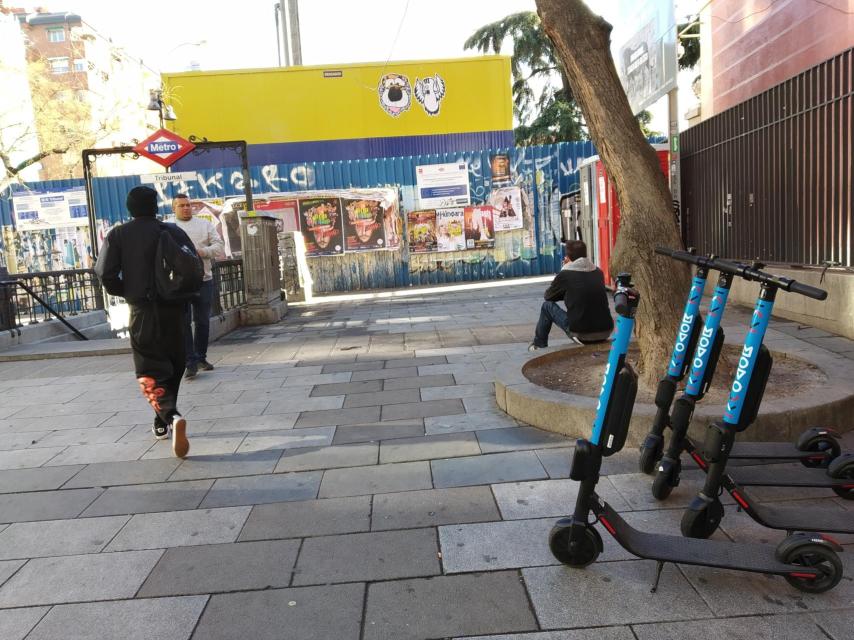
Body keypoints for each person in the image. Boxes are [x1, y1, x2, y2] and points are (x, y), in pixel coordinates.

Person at [95, 186, 191, 457]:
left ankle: (170, 415)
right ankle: (162, 419)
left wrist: (125, 289)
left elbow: (105, 273)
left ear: (129, 208)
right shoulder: (173, 231)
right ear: (156, 206)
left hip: (142, 311)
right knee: (173, 364)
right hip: (174, 308)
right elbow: (190, 265)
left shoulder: (119, 235)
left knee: (149, 367)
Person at [171, 193, 224, 379]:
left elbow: (219, 246)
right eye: (181, 206)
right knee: (183, 323)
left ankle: (201, 357)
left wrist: (203, 252)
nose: (186, 208)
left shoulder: (204, 225)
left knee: (202, 321)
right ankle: (190, 362)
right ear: (173, 208)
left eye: (188, 205)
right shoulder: (168, 228)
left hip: (204, 280)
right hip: (180, 284)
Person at [529, 240, 614, 351]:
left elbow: (548, 296)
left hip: (581, 334)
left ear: (568, 257)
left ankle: (538, 344)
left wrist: (564, 269)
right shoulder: (598, 272)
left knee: (547, 306)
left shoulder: (565, 274)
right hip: (606, 330)